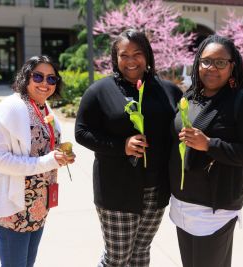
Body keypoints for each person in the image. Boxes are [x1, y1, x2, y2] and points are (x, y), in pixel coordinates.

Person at [75, 29, 182, 266]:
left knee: (141, 251)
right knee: (117, 257)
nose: (131, 61)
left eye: (137, 53)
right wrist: (121, 146)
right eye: (124, 55)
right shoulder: (100, 91)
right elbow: (82, 133)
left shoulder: (168, 91)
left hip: (156, 189)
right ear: (115, 58)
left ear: (148, 56)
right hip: (117, 189)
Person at [169, 35, 243, 267]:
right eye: (206, 61)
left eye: (221, 62)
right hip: (183, 204)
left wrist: (210, 145)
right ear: (197, 63)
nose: (212, 68)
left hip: (214, 209)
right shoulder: (190, 98)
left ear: (233, 66)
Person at [0, 55, 76, 267]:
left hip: (38, 206)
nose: (44, 83)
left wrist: (61, 155)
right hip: (13, 209)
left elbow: (44, 150)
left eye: (51, 79)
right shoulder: (8, 110)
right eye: (38, 76)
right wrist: (48, 162)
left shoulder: (44, 108)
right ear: (26, 77)